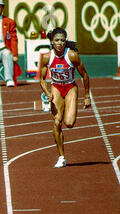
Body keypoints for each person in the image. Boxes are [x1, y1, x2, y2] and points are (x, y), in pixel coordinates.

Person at [39, 27, 91, 168]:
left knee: (69, 123)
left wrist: (87, 96)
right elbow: (42, 79)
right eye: (57, 40)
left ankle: (70, 108)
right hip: (56, 87)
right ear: (52, 41)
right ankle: (61, 157)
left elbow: (85, 75)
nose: (60, 43)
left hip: (70, 88)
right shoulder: (46, 57)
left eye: (62, 40)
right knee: (56, 122)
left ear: (65, 41)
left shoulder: (72, 55)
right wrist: (48, 93)